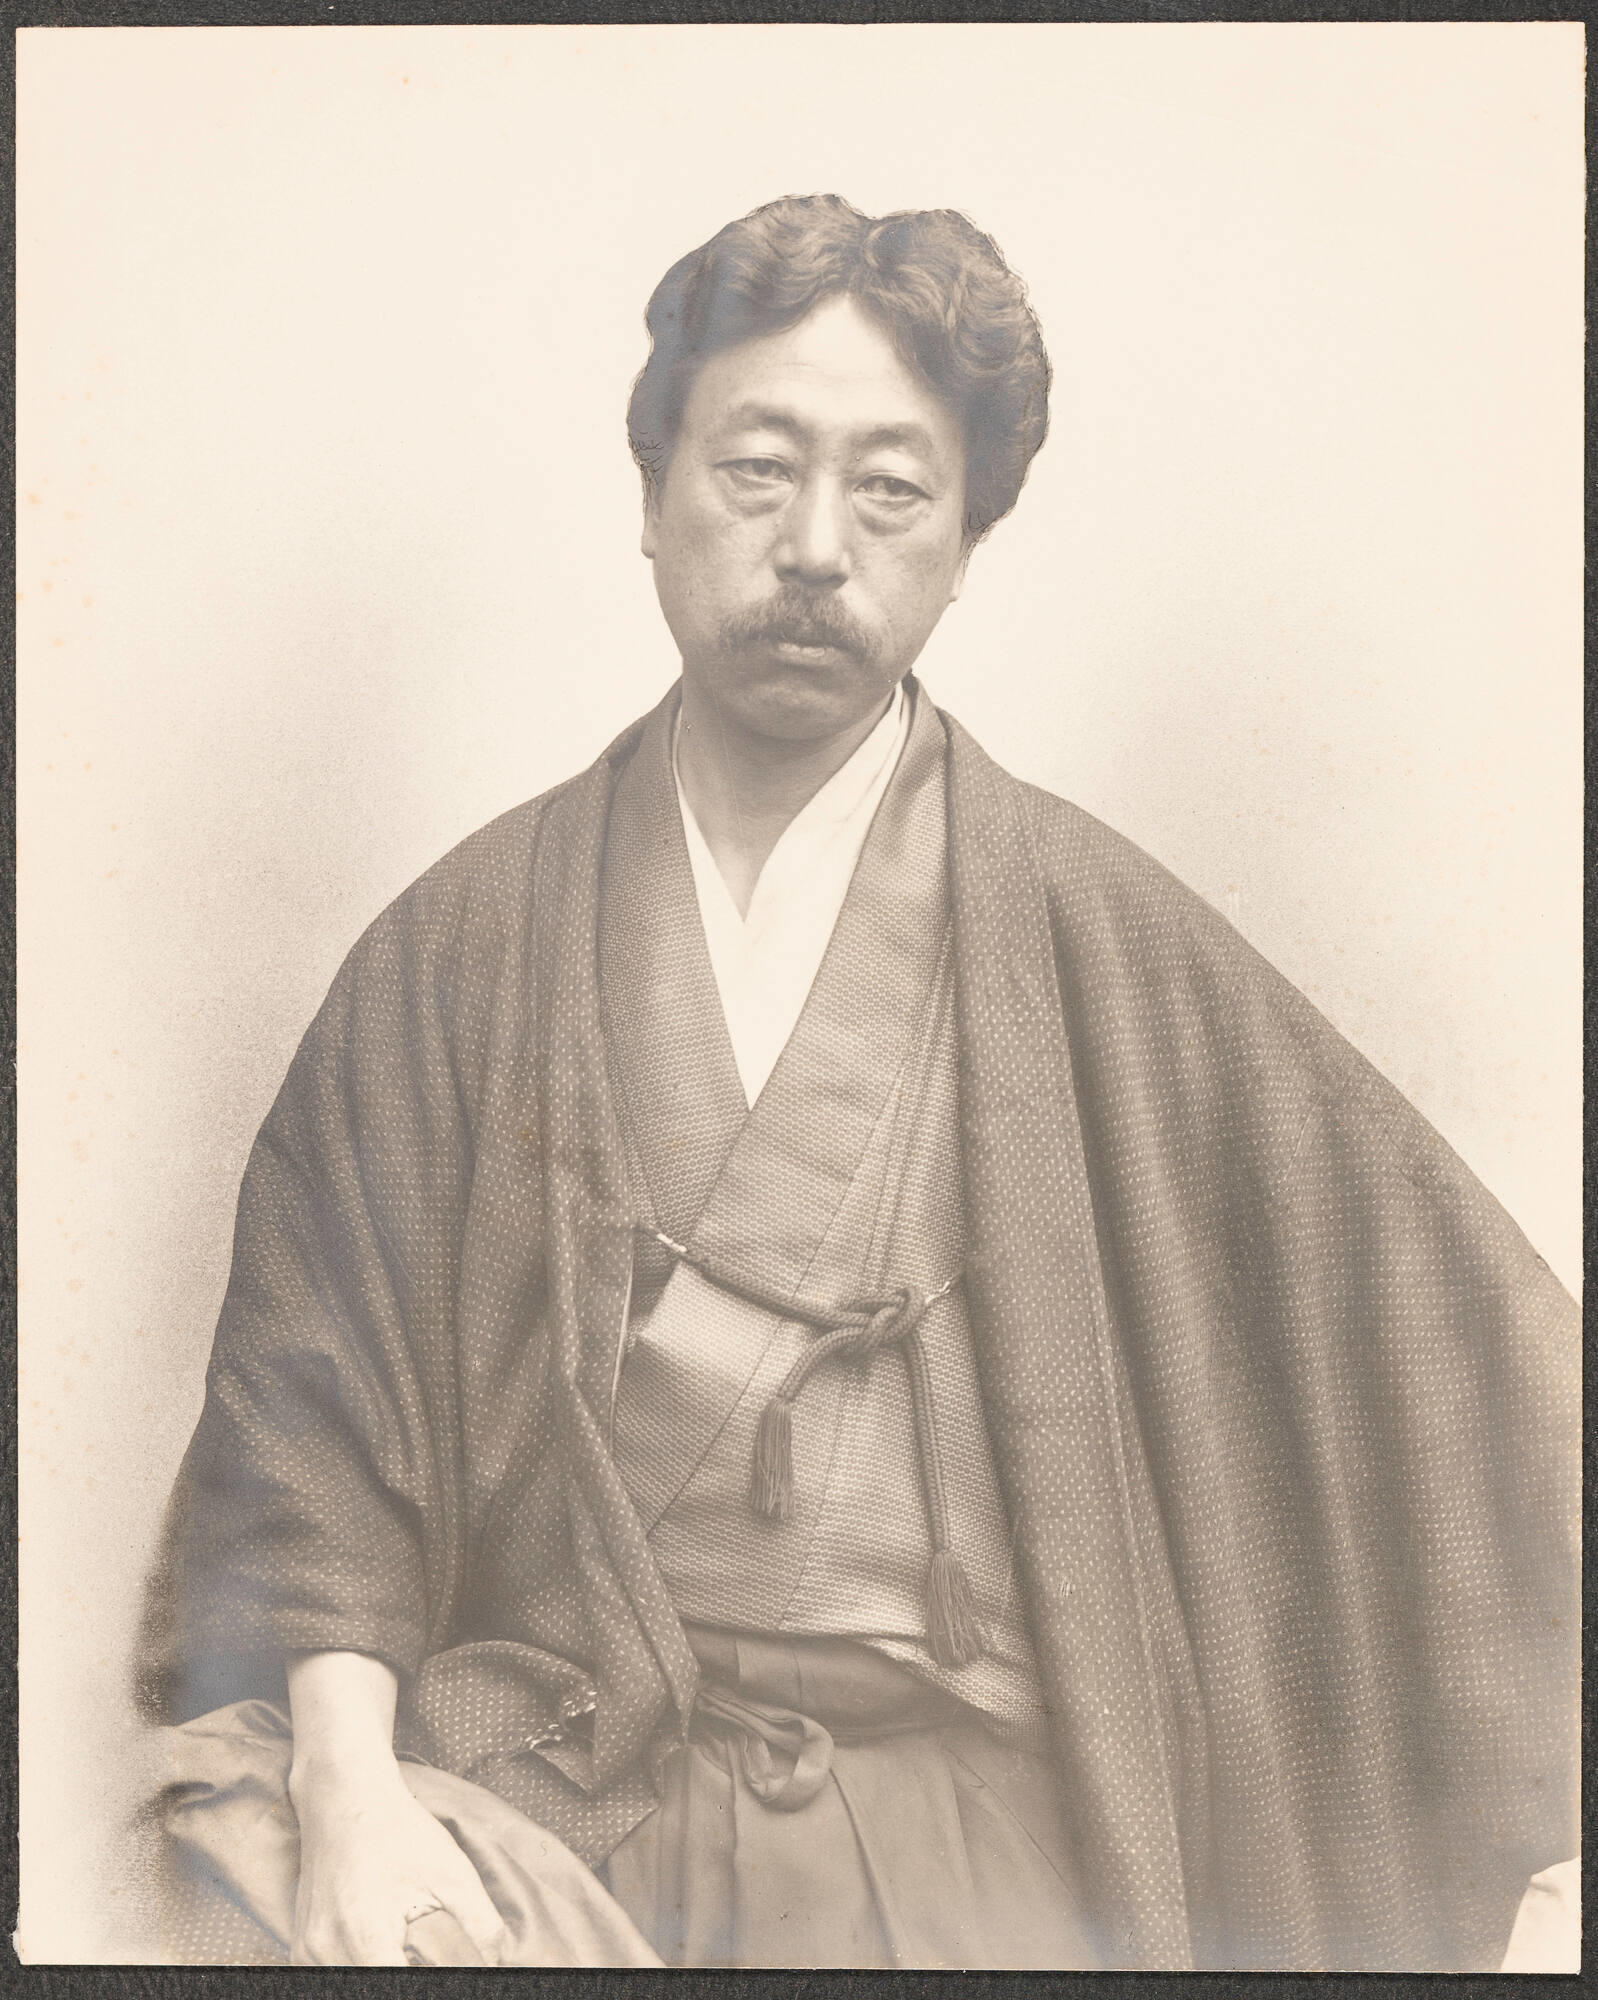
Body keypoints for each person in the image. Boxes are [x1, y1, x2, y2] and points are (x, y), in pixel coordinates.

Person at [135, 194, 1578, 1972]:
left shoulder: (1091, 933)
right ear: (650, 494)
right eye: (753, 468)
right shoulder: (458, 953)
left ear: (967, 536)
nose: (815, 545)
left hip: (982, 1848)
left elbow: (1453, 1349)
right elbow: (312, 1446)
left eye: (890, 489)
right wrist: (354, 1799)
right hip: (568, 1832)